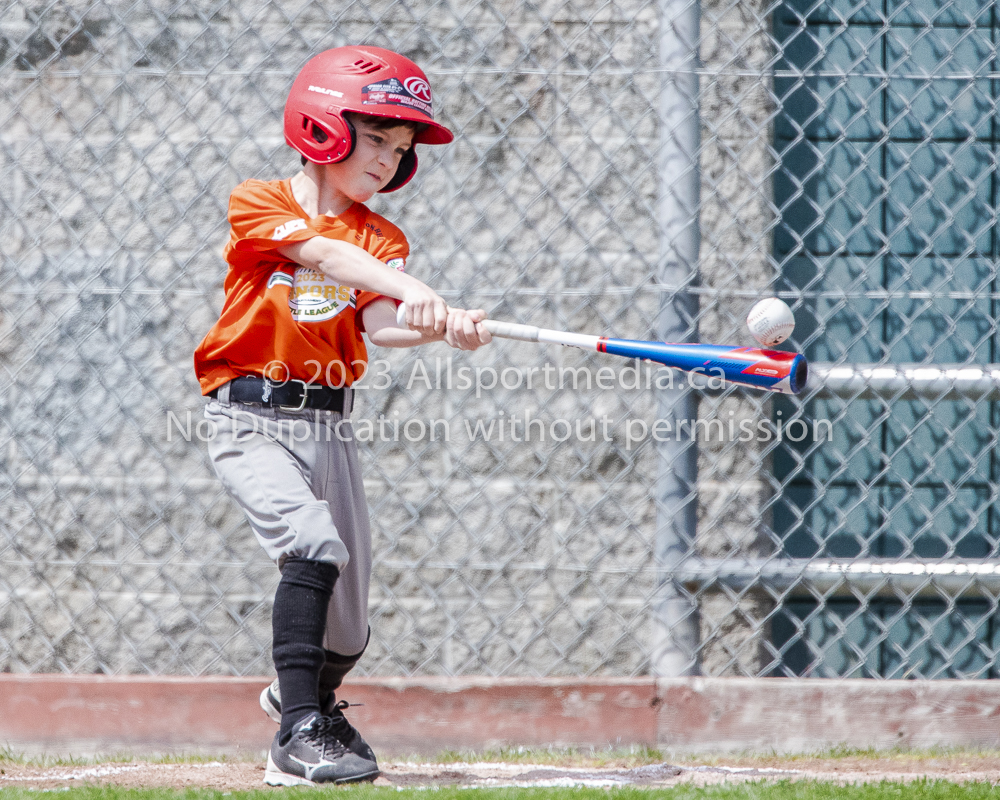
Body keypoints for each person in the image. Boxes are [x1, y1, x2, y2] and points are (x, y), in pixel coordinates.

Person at [193, 44, 490, 786]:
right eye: (378, 138)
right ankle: (294, 735)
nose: (390, 159)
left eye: (401, 148)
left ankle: (306, 696)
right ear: (322, 125)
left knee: (349, 628)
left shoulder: (382, 237)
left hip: (331, 426)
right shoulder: (258, 202)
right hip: (251, 415)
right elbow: (326, 258)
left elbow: (383, 323)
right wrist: (409, 281)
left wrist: (441, 324)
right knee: (313, 541)